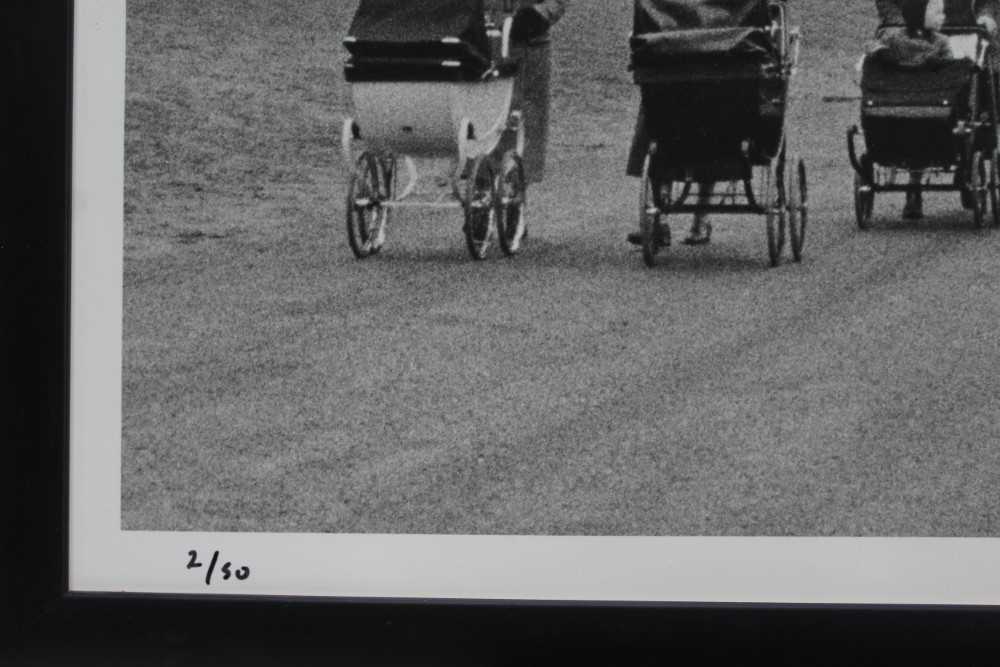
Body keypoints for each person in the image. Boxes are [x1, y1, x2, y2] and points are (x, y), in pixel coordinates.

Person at [875, 0, 999, 218]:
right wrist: (897, 23)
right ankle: (915, 180)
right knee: (916, 97)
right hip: (912, 32)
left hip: (966, 32)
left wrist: (986, 16)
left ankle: (969, 161)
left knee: (978, 91)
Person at [491, 0, 568, 183]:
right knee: (482, 105)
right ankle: (482, 177)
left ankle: (518, 179)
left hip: (529, 38)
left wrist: (542, 14)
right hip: (484, 32)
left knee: (527, 108)